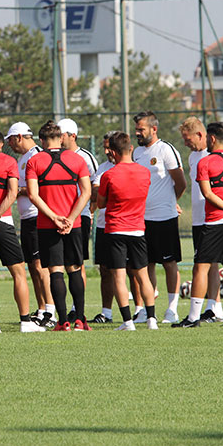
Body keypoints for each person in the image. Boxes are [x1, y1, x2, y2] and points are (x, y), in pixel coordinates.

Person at [173, 122, 223, 328]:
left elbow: (208, 194)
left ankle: (193, 318)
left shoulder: (205, 163)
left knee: (200, 268)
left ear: (211, 139)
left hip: (215, 222)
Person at [0, 129, 45, 333]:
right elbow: (13, 193)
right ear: (0, 145)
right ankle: (25, 322)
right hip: (2, 222)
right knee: (19, 273)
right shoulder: (8, 161)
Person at [26, 120, 92, 332]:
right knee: (74, 268)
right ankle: (80, 320)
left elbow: (33, 195)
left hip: (47, 224)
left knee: (55, 271)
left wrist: (54, 218)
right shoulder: (77, 159)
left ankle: (63, 321)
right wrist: (71, 218)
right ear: (61, 138)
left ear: (42, 140)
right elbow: (87, 192)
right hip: (74, 224)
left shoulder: (34, 161)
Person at [96, 131, 158, 331]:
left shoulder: (109, 175)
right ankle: (151, 320)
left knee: (119, 276)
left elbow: (101, 203)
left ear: (112, 152)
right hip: (138, 229)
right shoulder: (145, 172)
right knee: (143, 276)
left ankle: (127, 322)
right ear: (130, 149)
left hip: (115, 230)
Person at [132, 111, 186, 324]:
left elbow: (180, 182)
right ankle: (148, 308)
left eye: (141, 129)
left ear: (154, 129)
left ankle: (172, 308)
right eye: (136, 129)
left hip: (165, 217)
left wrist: (171, 200)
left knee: (169, 263)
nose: (137, 133)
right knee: (146, 264)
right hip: (141, 218)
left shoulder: (166, 150)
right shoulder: (136, 153)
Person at [5, 122, 55, 328]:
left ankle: (51, 311)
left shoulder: (37, 155)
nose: (10, 145)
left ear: (19, 136)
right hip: (26, 218)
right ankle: (42, 308)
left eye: (10, 140)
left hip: (37, 216)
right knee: (32, 266)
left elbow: (40, 186)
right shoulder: (22, 159)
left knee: (40, 265)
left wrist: (18, 190)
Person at [179, 117, 223, 323]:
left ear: (201, 135)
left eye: (188, 139)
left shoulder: (219, 154)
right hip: (199, 219)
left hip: (215, 218)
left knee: (208, 264)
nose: (186, 143)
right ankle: (215, 308)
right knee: (211, 265)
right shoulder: (192, 156)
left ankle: (210, 311)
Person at [57, 118, 99, 324]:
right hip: (59, 217)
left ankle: (77, 309)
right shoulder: (55, 156)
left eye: (62, 134)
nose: (59, 137)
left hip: (78, 217)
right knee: (59, 264)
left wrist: (89, 210)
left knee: (77, 263)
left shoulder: (85, 157)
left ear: (72, 135)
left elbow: (94, 187)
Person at [89, 132, 117, 323]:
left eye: (110, 147)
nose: (106, 151)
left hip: (125, 226)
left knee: (132, 269)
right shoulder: (102, 168)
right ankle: (106, 313)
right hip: (103, 225)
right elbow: (96, 197)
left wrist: (104, 192)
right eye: (104, 147)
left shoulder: (133, 166)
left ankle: (141, 311)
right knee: (105, 270)